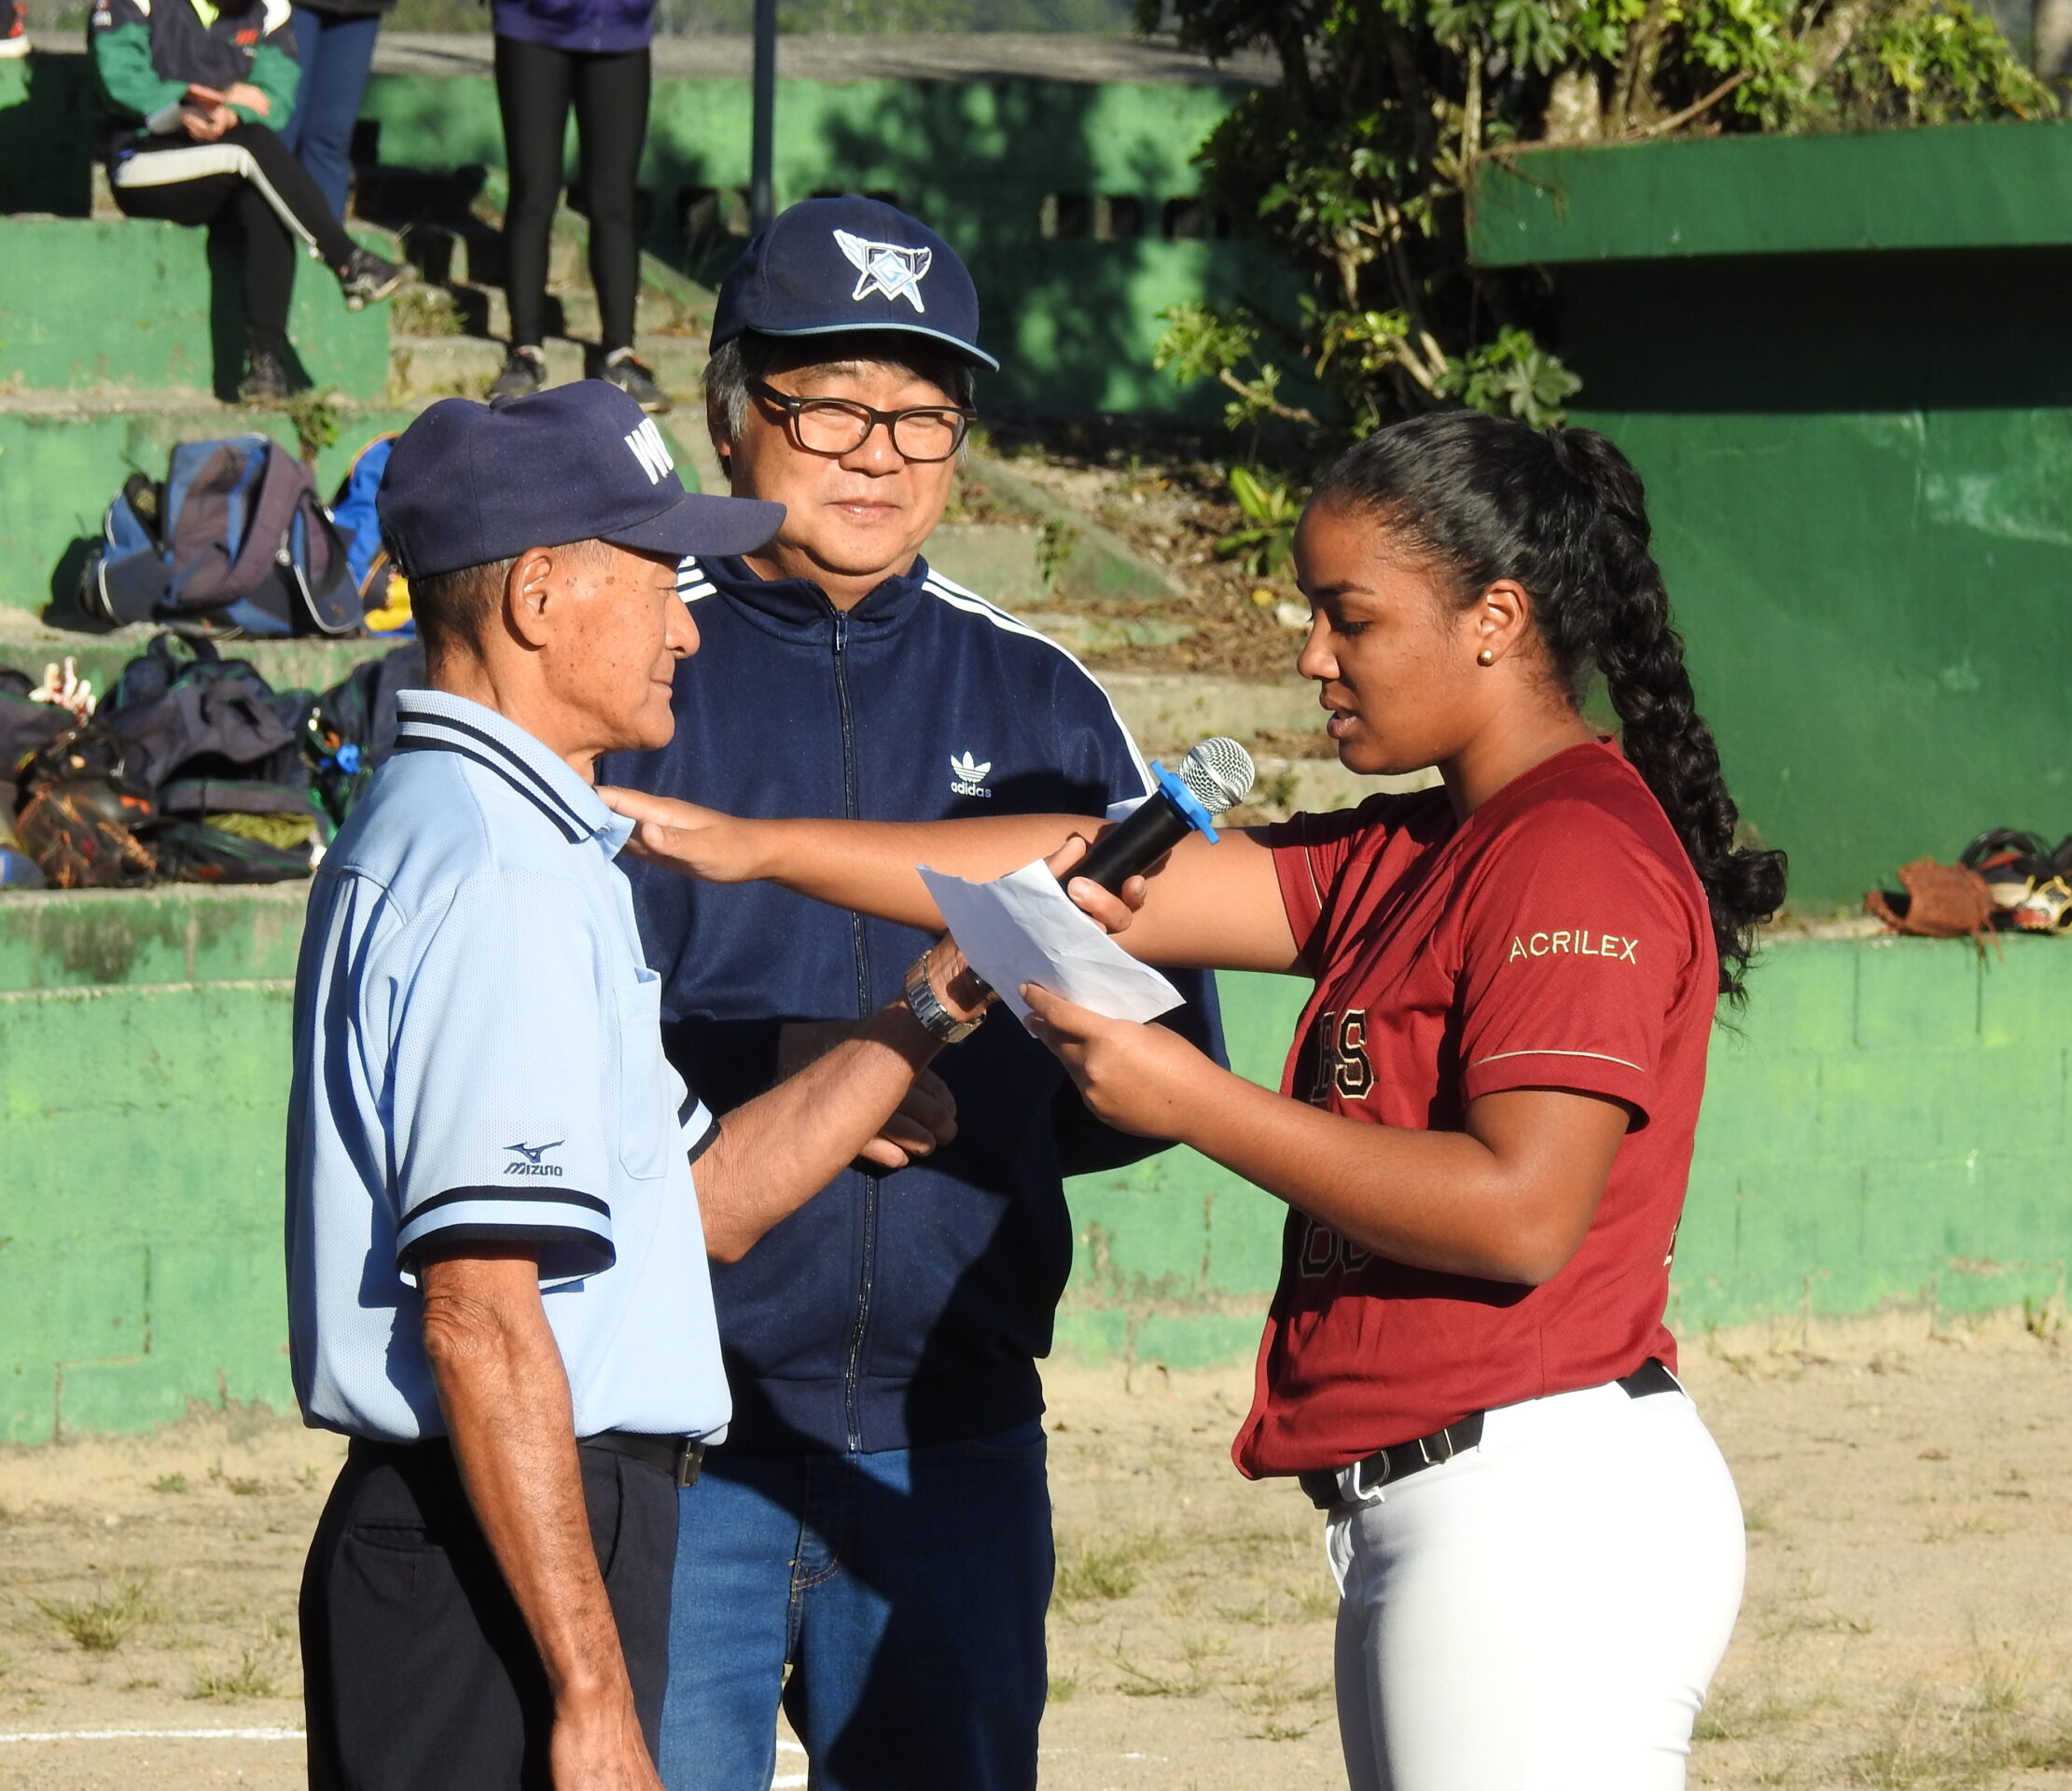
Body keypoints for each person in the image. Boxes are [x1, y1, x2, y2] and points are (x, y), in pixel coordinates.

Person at [603, 409, 1787, 1791]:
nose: (1311, 656)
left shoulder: (1570, 853)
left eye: (1348, 619)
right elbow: (1083, 866)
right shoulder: (1430, 841)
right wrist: (763, 849)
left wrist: (1190, 1099)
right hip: (1446, 1499)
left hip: (1536, 1504)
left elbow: (1522, 1212)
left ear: (1495, 619)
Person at [286, 379, 998, 1791]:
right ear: (539, 597)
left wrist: (930, 1006)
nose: (688, 620)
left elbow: (697, 1208)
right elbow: (483, 1318)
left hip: (522, 1517)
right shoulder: (496, 868)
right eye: (658, 579)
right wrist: (594, 1693)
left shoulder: (515, 841)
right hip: (500, 1534)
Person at [597, 194, 1225, 1791]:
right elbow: (519, 1048)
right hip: (672, 1443)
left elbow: (1159, 1054)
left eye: (923, 411)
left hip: (951, 1445)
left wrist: (977, 1092)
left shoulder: (1044, 700)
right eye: (830, 402)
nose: (877, 450)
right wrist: (812, 1084)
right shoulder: (618, 674)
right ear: (732, 405)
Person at [90, 0, 405, 401]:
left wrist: (231, 111)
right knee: (255, 149)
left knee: (263, 195)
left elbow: (275, 94)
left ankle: (267, 366)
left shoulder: (270, 9)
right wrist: (182, 102)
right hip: (143, 161)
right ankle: (347, 260)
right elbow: (118, 77)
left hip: (222, 157)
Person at [485, 0, 665, 410]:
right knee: (533, 193)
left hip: (621, 29)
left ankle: (621, 352)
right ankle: (525, 351)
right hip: (530, 27)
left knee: (614, 203)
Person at [278, 0, 394, 221]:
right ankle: (259, 238)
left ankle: (322, 247)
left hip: (359, 10)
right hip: (293, 7)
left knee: (330, 138)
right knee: (280, 131)